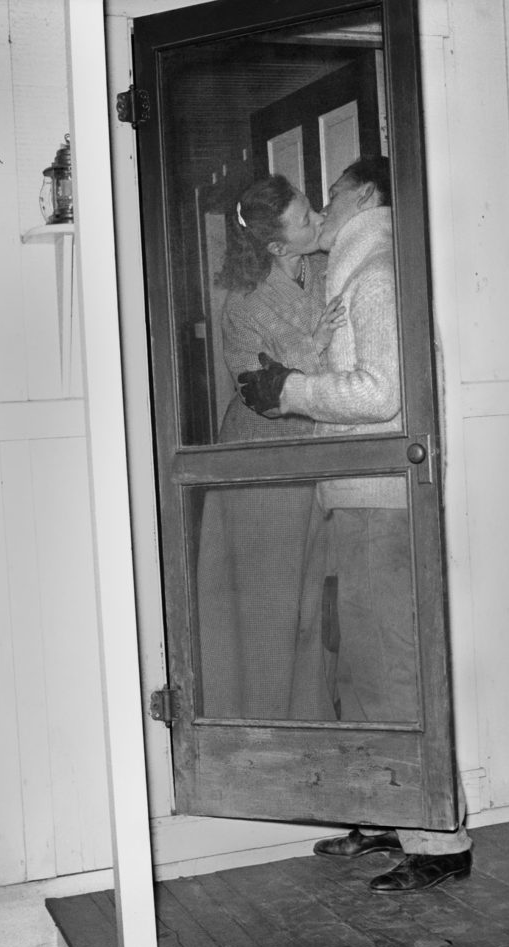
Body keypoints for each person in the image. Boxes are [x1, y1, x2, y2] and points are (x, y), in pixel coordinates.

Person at [238, 157, 472, 893]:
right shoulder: (351, 266)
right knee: (357, 669)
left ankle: (439, 842)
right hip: (355, 500)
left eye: (331, 191)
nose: (324, 202)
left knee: (394, 670)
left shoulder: (374, 267)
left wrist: (291, 390)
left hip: (384, 502)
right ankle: (382, 812)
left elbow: (384, 393)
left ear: (365, 193)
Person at [195, 174, 344, 721]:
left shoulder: (327, 266)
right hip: (263, 463)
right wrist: (316, 345)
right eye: (307, 219)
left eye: (312, 206)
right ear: (277, 246)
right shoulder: (243, 305)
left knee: (311, 603)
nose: (320, 218)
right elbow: (259, 388)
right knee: (267, 606)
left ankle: (308, 725)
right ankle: (260, 732)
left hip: (316, 452)